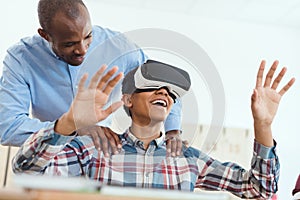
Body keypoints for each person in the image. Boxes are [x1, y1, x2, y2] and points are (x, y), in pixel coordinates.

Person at [13, 59, 295, 199]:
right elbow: (26, 171)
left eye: (171, 93)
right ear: (128, 100)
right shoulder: (91, 150)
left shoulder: (189, 160)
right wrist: (69, 121)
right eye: (152, 86)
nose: (165, 92)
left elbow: (261, 191)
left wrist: (263, 125)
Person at [0, 0, 182, 155]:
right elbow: (8, 128)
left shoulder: (119, 47)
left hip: (98, 155)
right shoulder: (21, 59)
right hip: (49, 156)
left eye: (88, 36)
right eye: (69, 44)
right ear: (45, 35)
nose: (82, 49)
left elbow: (163, 84)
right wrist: (71, 129)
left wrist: (172, 131)